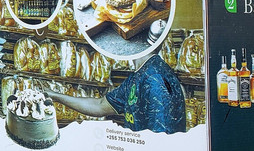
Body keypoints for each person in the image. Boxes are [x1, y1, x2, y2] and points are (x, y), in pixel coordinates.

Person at [44, 53, 186, 134]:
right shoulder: (139, 74)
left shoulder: (154, 78)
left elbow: (160, 136)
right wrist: (55, 96)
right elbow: (100, 105)